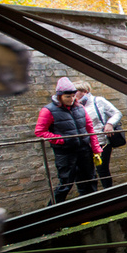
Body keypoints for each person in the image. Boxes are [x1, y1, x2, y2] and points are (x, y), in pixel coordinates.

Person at [34, 76, 102, 204]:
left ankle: (92, 209)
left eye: (73, 96)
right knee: (65, 183)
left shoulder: (80, 108)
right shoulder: (48, 110)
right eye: (67, 97)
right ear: (59, 96)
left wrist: (96, 148)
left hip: (83, 150)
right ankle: (53, 215)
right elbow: (40, 132)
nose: (71, 99)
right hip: (65, 152)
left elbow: (89, 128)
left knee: (90, 180)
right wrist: (62, 140)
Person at [74, 80, 122, 189]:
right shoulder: (75, 106)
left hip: (101, 140)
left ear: (84, 91)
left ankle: (109, 193)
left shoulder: (98, 101)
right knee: (88, 171)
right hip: (85, 143)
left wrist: (110, 123)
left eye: (75, 91)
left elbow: (117, 113)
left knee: (102, 169)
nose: (73, 94)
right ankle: (94, 196)